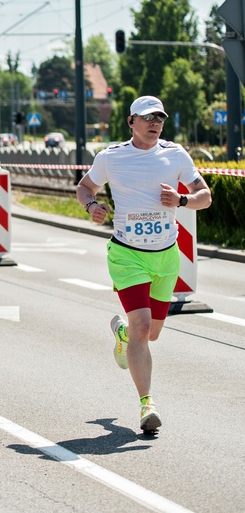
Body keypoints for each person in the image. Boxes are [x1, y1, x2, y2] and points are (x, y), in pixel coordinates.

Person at [76, 95, 212, 434]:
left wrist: (182, 200)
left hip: (166, 255)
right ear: (131, 122)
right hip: (127, 254)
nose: (155, 123)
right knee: (142, 329)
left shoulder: (175, 154)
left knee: (150, 333)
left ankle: (122, 334)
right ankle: (146, 405)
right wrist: (91, 205)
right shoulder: (111, 157)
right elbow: (85, 186)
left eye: (160, 118)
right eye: (148, 118)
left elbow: (204, 196)